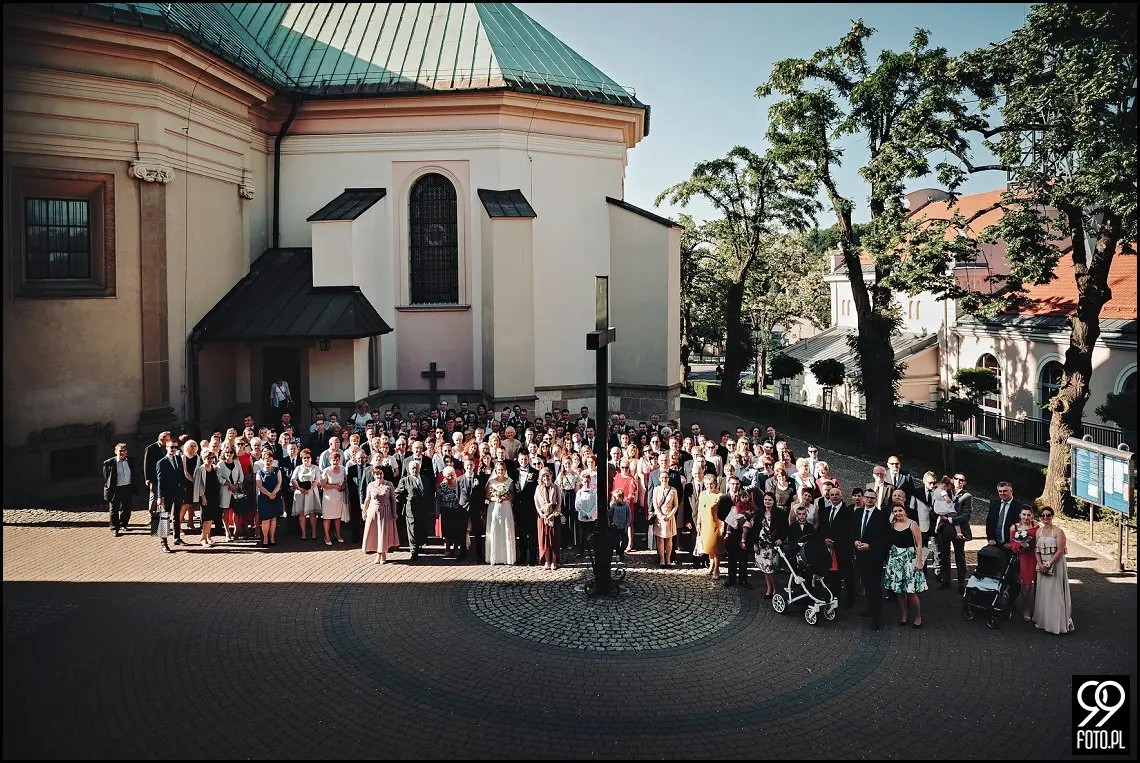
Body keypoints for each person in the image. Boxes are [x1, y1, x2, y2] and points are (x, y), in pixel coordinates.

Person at [883, 491, 927, 628]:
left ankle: (918, 616)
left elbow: (920, 544)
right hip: (896, 559)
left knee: (911, 592)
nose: (898, 513)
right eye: (895, 511)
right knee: (899, 591)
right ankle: (904, 614)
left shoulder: (912, 524)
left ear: (904, 510)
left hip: (910, 559)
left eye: (900, 510)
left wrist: (919, 562)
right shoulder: (892, 525)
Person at [1032, 506, 1075, 635]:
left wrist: (1049, 563)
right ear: (1040, 517)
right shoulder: (1038, 532)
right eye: (1043, 515)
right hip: (1042, 565)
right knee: (1043, 592)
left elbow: (1060, 551)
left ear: (1052, 516)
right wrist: (1040, 564)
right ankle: (1044, 620)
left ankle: (1056, 622)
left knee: (1055, 592)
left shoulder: (1058, 532)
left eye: (1048, 515)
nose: (1046, 518)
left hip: (1055, 564)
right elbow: (1036, 549)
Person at [855, 488, 889, 629]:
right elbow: (852, 530)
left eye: (872, 498)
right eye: (867, 497)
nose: (869, 500)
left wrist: (871, 546)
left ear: (876, 500)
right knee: (866, 584)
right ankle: (870, 608)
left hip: (874, 556)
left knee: (875, 586)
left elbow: (885, 538)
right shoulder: (858, 513)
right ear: (863, 499)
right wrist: (854, 541)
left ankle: (877, 616)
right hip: (860, 555)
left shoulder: (881, 516)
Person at [818, 484, 855, 609]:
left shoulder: (848, 511)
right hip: (828, 548)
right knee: (832, 574)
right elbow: (822, 528)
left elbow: (849, 531)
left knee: (847, 575)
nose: (834, 496)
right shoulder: (825, 510)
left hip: (843, 548)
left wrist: (837, 542)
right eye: (832, 494)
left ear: (841, 496)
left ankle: (850, 600)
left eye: (836, 494)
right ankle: (834, 596)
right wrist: (825, 539)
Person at [396, 458, 433, 560]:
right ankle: (413, 551)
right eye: (412, 468)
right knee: (412, 530)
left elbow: (428, 493)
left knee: (421, 529)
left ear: (419, 468)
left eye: (416, 468)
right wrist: (408, 500)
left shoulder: (425, 479)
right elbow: (397, 495)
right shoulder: (405, 480)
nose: (414, 470)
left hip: (423, 509)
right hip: (411, 509)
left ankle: (419, 546)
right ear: (409, 469)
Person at [1007, 506, 1039, 622]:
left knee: (1039, 585)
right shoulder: (1014, 527)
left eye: (1028, 515)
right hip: (1023, 558)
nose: (1026, 517)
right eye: (1024, 514)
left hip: (1036, 557)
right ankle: (1025, 608)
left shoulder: (1036, 527)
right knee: (1026, 586)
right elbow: (1011, 544)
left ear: (1032, 515)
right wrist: (1020, 545)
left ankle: (1038, 608)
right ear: (1020, 515)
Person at [362, 464, 398, 564]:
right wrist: (364, 511)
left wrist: (394, 512)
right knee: (375, 533)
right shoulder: (370, 485)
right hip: (373, 511)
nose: (379, 476)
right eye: (377, 474)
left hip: (385, 511)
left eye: (380, 473)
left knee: (383, 533)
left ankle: (383, 554)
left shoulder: (389, 484)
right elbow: (367, 499)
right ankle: (378, 553)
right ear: (374, 475)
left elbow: (393, 500)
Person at [102, 442, 140, 537]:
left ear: (126, 452)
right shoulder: (109, 463)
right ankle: (114, 528)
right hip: (115, 489)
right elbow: (107, 477)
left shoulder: (131, 461)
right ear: (115, 452)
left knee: (126, 507)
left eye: (123, 451)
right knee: (114, 509)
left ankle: (123, 524)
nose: (122, 453)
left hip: (127, 487)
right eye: (120, 451)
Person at [754, 490, 787, 598]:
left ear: (774, 501)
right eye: (765, 500)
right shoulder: (759, 512)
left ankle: (776, 589)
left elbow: (785, 528)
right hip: (762, 545)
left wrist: (781, 539)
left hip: (773, 546)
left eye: (770, 500)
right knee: (765, 568)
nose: (767, 502)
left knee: (771, 569)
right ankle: (769, 588)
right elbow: (754, 529)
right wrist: (754, 544)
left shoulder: (780, 513)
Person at [154, 440, 185, 552]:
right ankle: (164, 543)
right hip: (166, 494)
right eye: (171, 447)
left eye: (175, 447)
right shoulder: (161, 462)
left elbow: (181, 475)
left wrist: (183, 489)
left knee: (176, 516)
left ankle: (177, 538)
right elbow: (160, 481)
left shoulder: (178, 458)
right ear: (166, 448)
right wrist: (159, 496)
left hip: (177, 492)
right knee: (164, 517)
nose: (173, 449)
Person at [722, 484, 754, 588]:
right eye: (732, 484)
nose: (734, 486)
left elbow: (753, 513)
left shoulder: (749, 503)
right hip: (732, 533)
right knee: (731, 557)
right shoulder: (724, 498)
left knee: (743, 558)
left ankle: (743, 580)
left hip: (744, 532)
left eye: (736, 484)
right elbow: (721, 514)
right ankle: (731, 579)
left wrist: (747, 516)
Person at [484, 461, 516, 565]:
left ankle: (508, 557)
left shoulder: (509, 481)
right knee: (495, 528)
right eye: (498, 470)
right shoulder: (491, 482)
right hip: (494, 507)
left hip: (506, 507)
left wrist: (505, 497)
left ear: (505, 471)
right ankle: (494, 557)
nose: (500, 472)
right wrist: (495, 498)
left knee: (506, 528)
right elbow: (488, 496)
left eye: (502, 470)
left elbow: (513, 495)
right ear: (495, 471)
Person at [650, 460, 679, 568]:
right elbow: (655, 504)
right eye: (662, 478)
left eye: (666, 478)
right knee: (660, 539)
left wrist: (671, 515)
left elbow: (676, 504)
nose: (664, 480)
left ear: (668, 478)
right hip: (659, 516)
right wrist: (660, 515)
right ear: (659, 479)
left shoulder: (673, 490)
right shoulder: (656, 490)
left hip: (669, 516)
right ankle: (662, 559)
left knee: (669, 539)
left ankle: (668, 559)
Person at [696, 474, 724, 582]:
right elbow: (700, 509)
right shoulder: (702, 494)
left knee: (716, 548)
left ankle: (717, 569)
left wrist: (722, 526)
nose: (709, 486)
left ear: (715, 483)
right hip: (705, 525)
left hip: (715, 525)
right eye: (707, 484)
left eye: (711, 483)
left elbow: (722, 513)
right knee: (708, 547)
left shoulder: (719, 495)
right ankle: (711, 565)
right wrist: (698, 523)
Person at [290, 449, 322, 541]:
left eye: (308, 457)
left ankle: (314, 533)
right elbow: (293, 480)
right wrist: (300, 489)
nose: (306, 459)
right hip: (300, 493)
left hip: (311, 493)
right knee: (302, 514)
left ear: (311, 458)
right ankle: (303, 533)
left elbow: (317, 480)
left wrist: (310, 489)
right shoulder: (298, 468)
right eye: (304, 458)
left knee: (312, 514)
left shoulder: (315, 468)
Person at [513, 452, 539, 565]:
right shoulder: (513, 473)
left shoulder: (535, 473)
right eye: (521, 459)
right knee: (522, 534)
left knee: (532, 534)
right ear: (518, 460)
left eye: (525, 459)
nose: (523, 461)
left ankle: (533, 558)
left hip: (531, 507)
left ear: (528, 459)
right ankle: (522, 557)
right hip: (518, 507)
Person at [192, 450, 222, 546]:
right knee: (207, 518)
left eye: (212, 458)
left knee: (211, 518)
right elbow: (198, 485)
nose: (210, 460)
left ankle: (208, 537)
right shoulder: (200, 469)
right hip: (205, 496)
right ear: (203, 459)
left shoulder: (214, 468)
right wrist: (203, 497)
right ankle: (203, 538)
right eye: (208, 458)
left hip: (214, 496)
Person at [535, 467, 562, 570]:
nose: (546, 478)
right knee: (545, 539)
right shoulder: (538, 488)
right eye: (543, 476)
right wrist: (542, 514)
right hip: (543, 517)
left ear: (551, 475)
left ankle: (554, 561)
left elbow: (559, 502)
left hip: (554, 516)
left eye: (547, 476)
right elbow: (536, 503)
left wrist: (553, 514)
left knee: (554, 539)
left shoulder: (556, 487)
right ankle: (547, 560)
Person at [255, 449, 284, 547]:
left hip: (275, 496)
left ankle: (272, 538)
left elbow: (279, 482)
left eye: (270, 460)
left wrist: (274, 493)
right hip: (264, 498)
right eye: (267, 460)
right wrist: (269, 494)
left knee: (273, 519)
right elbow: (260, 485)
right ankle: (265, 538)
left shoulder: (277, 470)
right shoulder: (259, 472)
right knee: (266, 519)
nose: (269, 462)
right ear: (263, 460)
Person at [319, 450, 348, 545]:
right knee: (327, 518)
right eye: (333, 460)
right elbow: (323, 485)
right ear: (330, 460)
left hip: (339, 497)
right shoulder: (326, 470)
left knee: (337, 518)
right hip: (328, 497)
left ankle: (338, 534)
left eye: (337, 460)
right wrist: (334, 486)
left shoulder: (343, 469)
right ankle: (326, 536)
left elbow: (344, 481)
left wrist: (342, 487)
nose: (335, 462)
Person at [436, 466, 464, 560]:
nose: (450, 478)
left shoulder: (459, 484)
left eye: (452, 475)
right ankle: (447, 549)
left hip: (457, 510)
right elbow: (438, 500)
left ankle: (456, 549)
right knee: (447, 532)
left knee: (456, 530)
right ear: (445, 476)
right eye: (448, 476)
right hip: (446, 511)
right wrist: (437, 511)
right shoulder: (442, 486)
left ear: (455, 475)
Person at [575, 456, 600, 558]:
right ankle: (581, 551)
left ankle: (592, 552)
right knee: (582, 536)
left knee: (591, 535)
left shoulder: (593, 492)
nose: (586, 483)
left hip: (591, 518)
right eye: (584, 482)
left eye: (588, 482)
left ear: (590, 482)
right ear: (582, 482)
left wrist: (590, 514)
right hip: (582, 517)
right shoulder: (579, 492)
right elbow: (577, 505)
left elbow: (595, 504)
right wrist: (584, 513)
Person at [179, 440, 201, 535]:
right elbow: (185, 472)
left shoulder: (197, 457)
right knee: (185, 504)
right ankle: (177, 525)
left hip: (195, 482)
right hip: (186, 483)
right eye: (190, 446)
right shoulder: (183, 457)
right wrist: (192, 480)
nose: (192, 447)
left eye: (194, 446)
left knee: (192, 504)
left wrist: (197, 481)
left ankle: (190, 523)